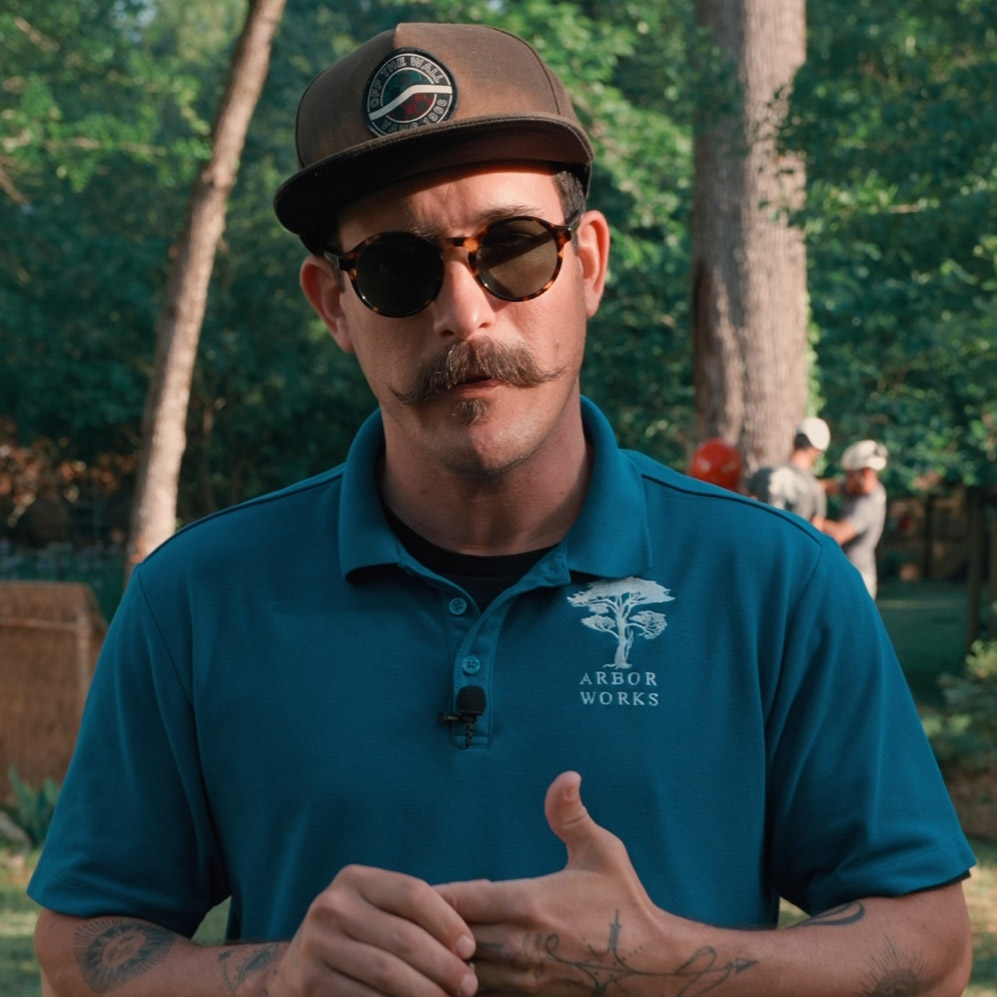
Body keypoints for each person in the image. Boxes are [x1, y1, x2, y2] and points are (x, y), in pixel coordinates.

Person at [30, 22, 974, 997]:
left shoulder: (777, 583)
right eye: (395, 268)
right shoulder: (196, 598)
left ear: (589, 264)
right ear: (333, 305)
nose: (465, 311)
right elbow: (78, 946)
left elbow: (932, 948)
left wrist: (669, 967)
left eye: (513, 250)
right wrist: (278, 978)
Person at [822, 439, 889, 598]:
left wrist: (810, 519)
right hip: (849, 573)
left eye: (849, 474)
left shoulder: (868, 503)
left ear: (865, 473)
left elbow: (838, 534)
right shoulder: (859, 487)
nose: (846, 479)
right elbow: (829, 486)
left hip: (856, 578)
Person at [747, 416, 830, 527]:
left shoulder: (763, 473)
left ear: (794, 440)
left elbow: (748, 512)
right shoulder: (815, 489)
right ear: (817, 451)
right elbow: (815, 531)